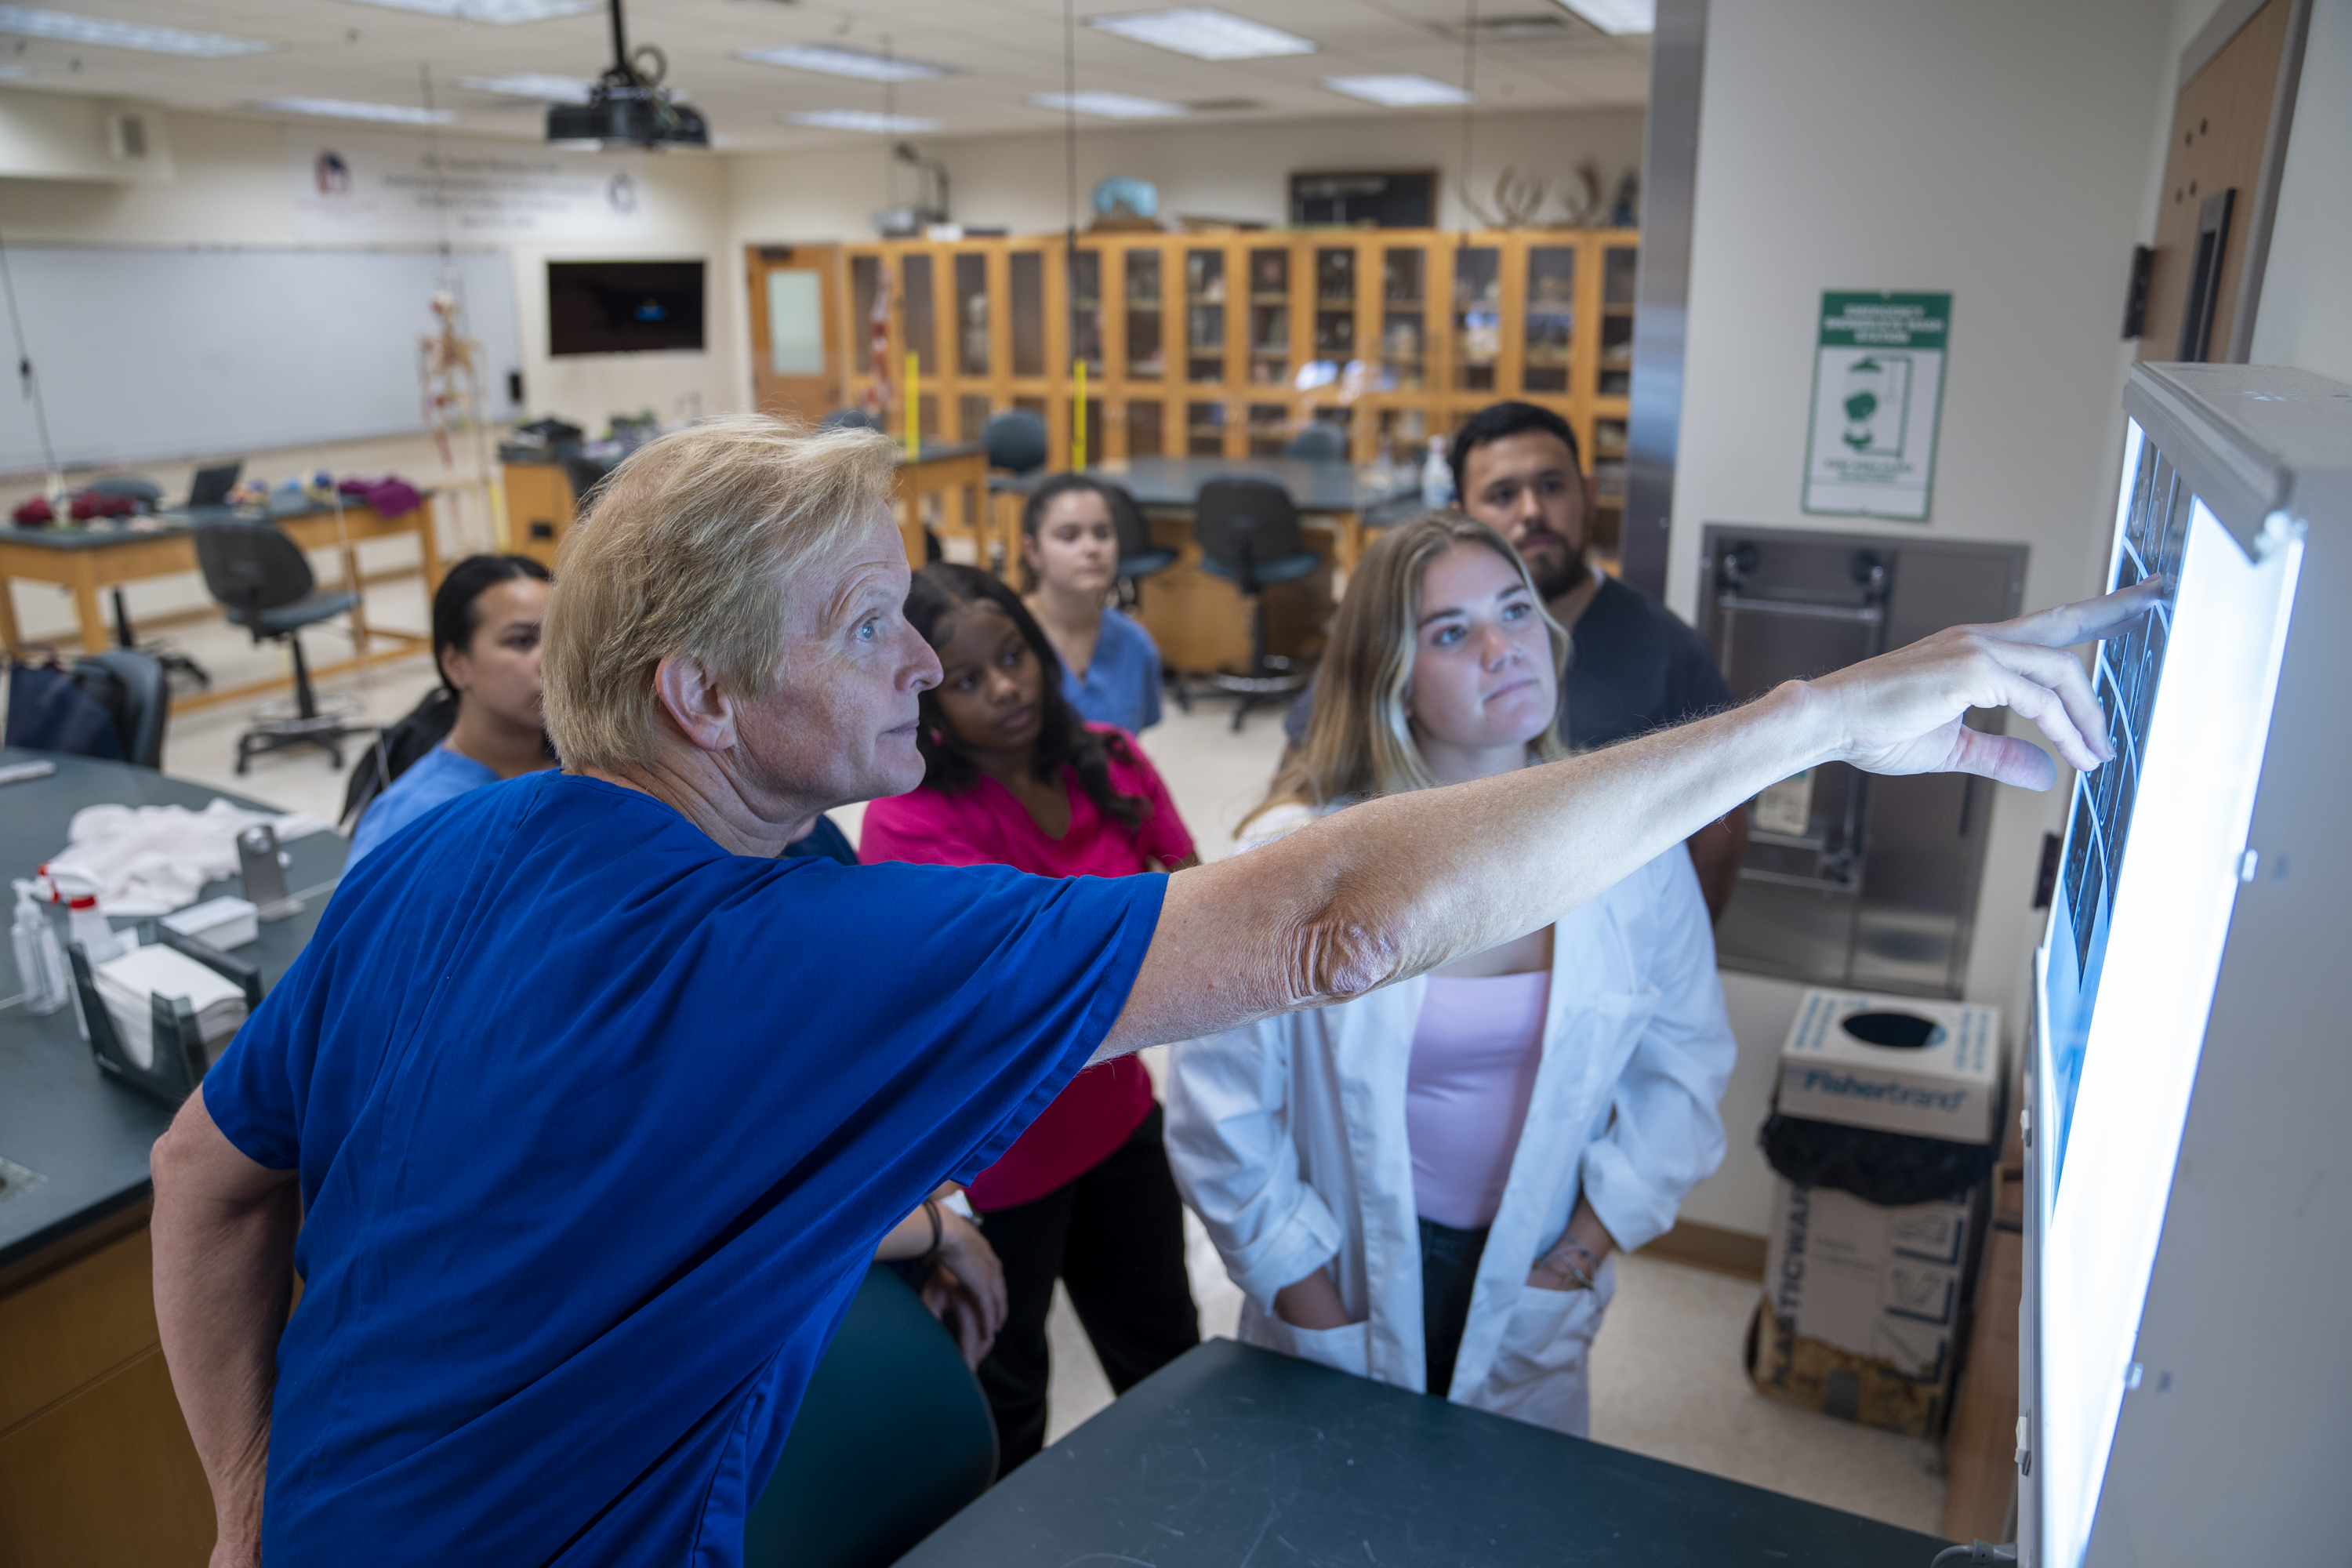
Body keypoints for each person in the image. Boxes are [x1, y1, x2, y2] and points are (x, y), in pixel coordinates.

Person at [147, 414, 2147, 1566]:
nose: (928, 664)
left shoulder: (445, 843)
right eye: (867, 627)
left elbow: (210, 1181)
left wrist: (243, 1500)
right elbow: (1327, 925)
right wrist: (1818, 713)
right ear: (700, 695)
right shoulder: (806, 946)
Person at [1167, 515, 1734, 1435]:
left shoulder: (1635, 852)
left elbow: (1688, 1065)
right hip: (1335, 1265)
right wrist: (1312, 1305)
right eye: (1451, 630)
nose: (1503, 646)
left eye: (1514, 610)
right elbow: (1219, 1110)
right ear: (1390, 672)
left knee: (1497, 1519)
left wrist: (1577, 1257)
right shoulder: (1294, 859)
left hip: (1536, 1261)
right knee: (1328, 1512)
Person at [860, 562, 1200, 1470]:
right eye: (967, 680)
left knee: (1167, 1354)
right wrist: (1138, 942)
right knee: (1007, 1397)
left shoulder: (1112, 757)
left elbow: (1195, 906)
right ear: (927, 696)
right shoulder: (908, 823)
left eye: (1013, 655)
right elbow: (995, 995)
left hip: (1121, 1118)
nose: (1005, 686)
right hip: (997, 1164)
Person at [1287, 401, 1751, 918]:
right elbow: (1311, 762)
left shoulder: (1668, 651)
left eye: (1552, 486)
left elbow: (1720, 826)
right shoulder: (1396, 631)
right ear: (1459, 515)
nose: (1531, 511)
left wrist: (1674, 943)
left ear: (1589, 496)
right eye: (1503, 495)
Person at [346, 554, 557, 867]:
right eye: (522, 641)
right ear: (455, 664)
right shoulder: (412, 816)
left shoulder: (596, 768)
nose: (550, 661)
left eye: (559, 639)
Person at [1018, 474, 1165, 735]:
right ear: (1033, 551)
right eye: (1069, 536)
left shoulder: (1136, 644)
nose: (1092, 548)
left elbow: (1129, 751)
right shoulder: (1008, 638)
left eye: (1103, 533)